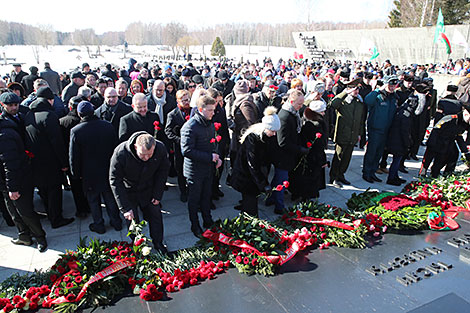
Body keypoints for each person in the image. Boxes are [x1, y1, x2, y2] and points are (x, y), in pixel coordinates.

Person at [0, 92, 47, 252]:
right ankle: (24, 235)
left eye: (15, 104)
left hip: (16, 177)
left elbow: (10, 163)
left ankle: (39, 236)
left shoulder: (5, 132)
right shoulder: (9, 124)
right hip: (10, 178)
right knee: (14, 210)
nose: (14, 108)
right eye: (10, 105)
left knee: (24, 210)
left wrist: (12, 186)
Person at [109, 132, 170, 253]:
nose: (147, 158)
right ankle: (139, 246)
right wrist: (125, 208)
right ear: (136, 147)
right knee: (132, 220)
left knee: (155, 216)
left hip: (149, 188)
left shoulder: (160, 148)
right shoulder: (121, 153)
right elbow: (115, 180)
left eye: (150, 154)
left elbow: (163, 172)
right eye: (143, 155)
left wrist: (157, 194)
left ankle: (158, 243)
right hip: (129, 190)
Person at [24, 87, 74, 228]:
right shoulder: (49, 116)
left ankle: (49, 213)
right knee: (54, 191)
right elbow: (56, 142)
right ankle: (56, 218)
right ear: (49, 100)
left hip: (35, 161)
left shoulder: (29, 114)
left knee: (44, 190)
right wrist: (64, 162)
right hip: (51, 162)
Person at [70, 101, 122, 234]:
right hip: (107, 168)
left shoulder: (76, 131)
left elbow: (74, 156)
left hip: (89, 173)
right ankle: (116, 222)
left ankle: (99, 224)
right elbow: (116, 147)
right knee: (110, 197)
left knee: (93, 200)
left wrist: (75, 174)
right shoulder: (107, 126)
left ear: (79, 114)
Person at [181, 95, 222, 237]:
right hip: (194, 171)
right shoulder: (190, 126)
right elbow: (186, 150)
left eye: (213, 109)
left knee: (206, 196)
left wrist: (217, 157)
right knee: (194, 200)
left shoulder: (209, 123)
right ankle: (195, 225)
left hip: (207, 168)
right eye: (210, 110)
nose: (213, 113)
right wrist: (209, 157)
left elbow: (213, 143)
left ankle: (207, 220)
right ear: (200, 109)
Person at [230, 107, 281, 216]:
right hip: (247, 174)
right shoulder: (252, 138)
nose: (274, 134)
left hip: (256, 173)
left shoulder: (269, 135)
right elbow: (252, 164)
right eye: (273, 131)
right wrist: (263, 183)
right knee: (251, 203)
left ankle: (245, 207)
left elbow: (272, 152)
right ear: (266, 128)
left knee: (250, 199)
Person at [268, 90, 309, 214]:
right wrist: (299, 149)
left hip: (286, 155)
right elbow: (283, 142)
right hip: (282, 156)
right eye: (299, 104)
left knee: (278, 179)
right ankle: (279, 207)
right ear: (291, 102)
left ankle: (271, 198)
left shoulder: (292, 112)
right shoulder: (285, 116)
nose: (301, 107)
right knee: (282, 181)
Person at [289, 99, 328, 201]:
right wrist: (322, 160)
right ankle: (306, 196)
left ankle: (298, 193)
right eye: (322, 111)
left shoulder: (306, 119)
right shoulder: (316, 124)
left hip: (304, 152)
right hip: (313, 155)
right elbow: (319, 145)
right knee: (310, 177)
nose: (324, 113)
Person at [329, 79, 365, 186]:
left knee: (347, 158)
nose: (356, 91)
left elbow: (361, 120)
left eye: (357, 89)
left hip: (353, 134)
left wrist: (359, 133)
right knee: (339, 156)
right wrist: (345, 93)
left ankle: (341, 175)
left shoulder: (359, 102)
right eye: (354, 88)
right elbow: (332, 105)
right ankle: (334, 177)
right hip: (342, 133)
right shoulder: (342, 101)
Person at [362, 75, 398, 183]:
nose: (392, 88)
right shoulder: (378, 96)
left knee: (379, 153)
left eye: (393, 86)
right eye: (390, 85)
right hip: (375, 129)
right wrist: (378, 90)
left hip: (386, 130)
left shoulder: (394, 97)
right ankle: (366, 172)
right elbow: (367, 100)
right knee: (371, 152)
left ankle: (373, 172)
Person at [59, 96, 91, 218]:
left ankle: (81, 209)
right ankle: (90, 206)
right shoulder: (86, 121)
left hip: (71, 160)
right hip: (87, 160)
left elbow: (60, 144)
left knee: (76, 187)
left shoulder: (62, 122)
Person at [165, 90, 191, 202]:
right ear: (178, 101)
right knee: (180, 170)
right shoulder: (173, 114)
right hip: (179, 147)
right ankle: (183, 191)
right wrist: (179, 140)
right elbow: (168, 131)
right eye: (183, 100)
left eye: (188, 99)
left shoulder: (194, 111)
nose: (186, 102)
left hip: (192, 146)